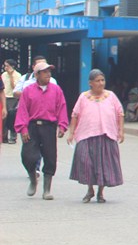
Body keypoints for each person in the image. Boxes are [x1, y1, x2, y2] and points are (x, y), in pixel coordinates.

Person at [67, 69, 125, 203]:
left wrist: (120, 131)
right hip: (86, 135)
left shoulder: (111, 96)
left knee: (104, 165)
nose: (101, 83)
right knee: (87, 163)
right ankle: (90, 189)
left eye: (102, 80)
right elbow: (75, 115)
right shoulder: (83, 97)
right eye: (97, 80)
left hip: (107, 135)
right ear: (90, 83)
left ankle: (100, 192)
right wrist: (71, 133)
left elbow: (120, 113)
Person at [14, 60, 68, 199]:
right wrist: (23, 129)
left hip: (49, 127)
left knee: (50, 157)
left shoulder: (56, 90)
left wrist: (62, 125)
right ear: (37, 74)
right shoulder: (28, 90)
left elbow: (61, 107)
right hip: (32, 126)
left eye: (49, 71)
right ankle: (33, 179)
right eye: (45, 72)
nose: (48, 74)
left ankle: (47, 189)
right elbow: (22, 110)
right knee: (28, 156)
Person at [3, 59, 22, 143]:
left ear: (12, 66)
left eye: (7, 66)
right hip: (4, 97)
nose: (5, 67)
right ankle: (4, 137)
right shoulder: (3, 75)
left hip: (12, 98)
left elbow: (15, 88)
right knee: (4, 118)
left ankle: (13, 137)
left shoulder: (18, 75)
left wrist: (11, 76)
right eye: (5, 65)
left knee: (12, 117)